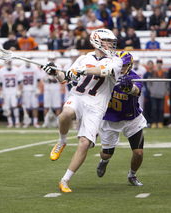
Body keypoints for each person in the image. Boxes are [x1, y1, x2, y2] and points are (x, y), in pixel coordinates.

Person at [42, 29, 123, 192]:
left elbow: (106, 71)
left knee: (85, 143)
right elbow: (65, 79)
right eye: (107, 41)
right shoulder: (83, 58)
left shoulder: (115, 61)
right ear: (97, 42)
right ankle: (62, 141)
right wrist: (55, 72)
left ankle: (65, 180)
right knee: (65, 114)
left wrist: (83, 70)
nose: (111, 44)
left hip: (97, 105)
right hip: (79, 96)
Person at [96, 51, 146, 186]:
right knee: (106, 154)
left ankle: (132, 175)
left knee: (139, 152)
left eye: (123, 65)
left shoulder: (135, 77)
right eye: (119, 65)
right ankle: (104, 162)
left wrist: (129, 87)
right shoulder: (105, 76)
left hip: (131, 118)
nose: (121, 68)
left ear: (129, 65)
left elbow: (137, 91)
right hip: (110, 118)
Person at [18, 52, 42, 128]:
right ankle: (27, 122)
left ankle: (35, 122)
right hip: (25, 90)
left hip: (33, 90)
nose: (28, 60)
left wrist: (39, 88)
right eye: (26, 59)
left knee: (35, 106)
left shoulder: (35, 68)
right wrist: (19, 90)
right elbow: (20, 81)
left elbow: (38, 80)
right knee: (26, 107)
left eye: (29, 59)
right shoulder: (21, 68)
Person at [0, 61, 23, 128]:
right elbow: (0, 83)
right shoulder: (1, 70)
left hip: (14, 91)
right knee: (7, 107)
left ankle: (17, 122)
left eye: (9, 61)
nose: (8, 63)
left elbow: (20, 81)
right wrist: (1, 91)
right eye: (7, 62)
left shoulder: (16, 69)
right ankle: (10, 122)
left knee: (14, 106)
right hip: (6, 92)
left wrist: (19, 90)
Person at [41, 52, 62, 128]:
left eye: (53, 58)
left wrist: (53, 78)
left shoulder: (58, 65)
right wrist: (46, 79)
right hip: (48, 87)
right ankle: (46, 122)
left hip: (56, 87)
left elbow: (61, 76)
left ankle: (58, 122)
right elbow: (42, 78)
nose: (51, 60)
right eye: (50, 58)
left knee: (57, 106)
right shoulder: (45, 65)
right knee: (46, 105)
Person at [147, 58, 169, 129]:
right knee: (154, 109)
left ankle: (160, 122)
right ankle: (154, 122)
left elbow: (167, 83)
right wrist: (152, 90)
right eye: (158, 63)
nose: (159, 64)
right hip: (154, 94)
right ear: (156, 64)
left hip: (161, 94)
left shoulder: (165, 73)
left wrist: (165, 91)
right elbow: (148, 83)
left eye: (160, 63)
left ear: (161, 64)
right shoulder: (152, 72)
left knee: (161, 109)